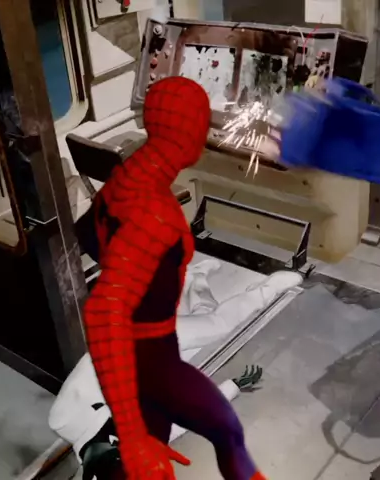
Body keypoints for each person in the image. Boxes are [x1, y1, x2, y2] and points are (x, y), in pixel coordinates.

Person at [77, 76, 271, 480]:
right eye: (202, 121)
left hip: (143, 351)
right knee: (226, 431)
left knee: (152, 458)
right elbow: (103, 313)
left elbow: (87, 236)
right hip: (151, 354)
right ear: (191, 130)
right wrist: (132, 436)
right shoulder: (156, 216)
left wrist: (142, 276)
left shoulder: (124, 177)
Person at [48, 260, 302, 479]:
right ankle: (196, 278)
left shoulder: (64, 418)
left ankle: (269, 287)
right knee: (205, 323)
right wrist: (232, 387)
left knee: (218, 326)